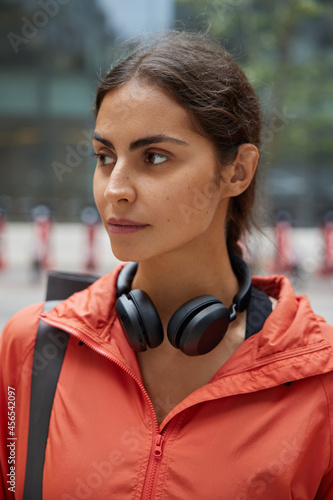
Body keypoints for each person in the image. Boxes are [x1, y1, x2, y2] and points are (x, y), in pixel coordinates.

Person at [1, 30, 333, 500]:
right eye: (104, 156)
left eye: (154, 157)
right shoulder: (33, 347)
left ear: (236, 171)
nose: (115, 188)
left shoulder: (319, 378)